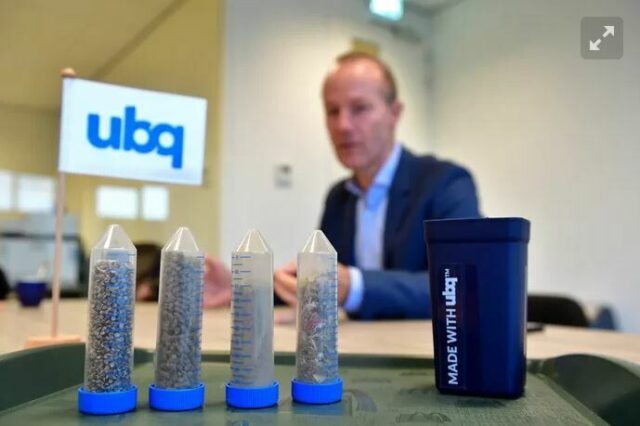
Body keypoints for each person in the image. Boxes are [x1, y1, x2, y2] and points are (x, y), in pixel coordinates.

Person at [203, 52, 480, 319]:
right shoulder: (338, 198)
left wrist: (355, 286)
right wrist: (245, 291)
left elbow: (463, 284)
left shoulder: (446, 182)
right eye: (332, 111)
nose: (343, 125)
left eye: (359, 108)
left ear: (394, 113)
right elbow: (322, 284)